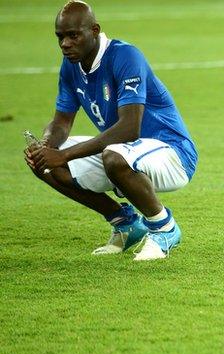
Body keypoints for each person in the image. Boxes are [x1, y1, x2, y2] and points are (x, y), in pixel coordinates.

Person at [25, 0, 198, 261]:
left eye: (73, 35)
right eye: (60, 37)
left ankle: (164, 228)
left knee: (112, 156)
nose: (65, 44)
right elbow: (61, 121)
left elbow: (129, 128)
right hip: (126, 151)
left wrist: (64, 155)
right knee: (47, 163)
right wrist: (47, 146)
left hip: (172, 153)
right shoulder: (71, 66)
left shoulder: (124, 56)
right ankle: (125, 223)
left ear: (94, 30)